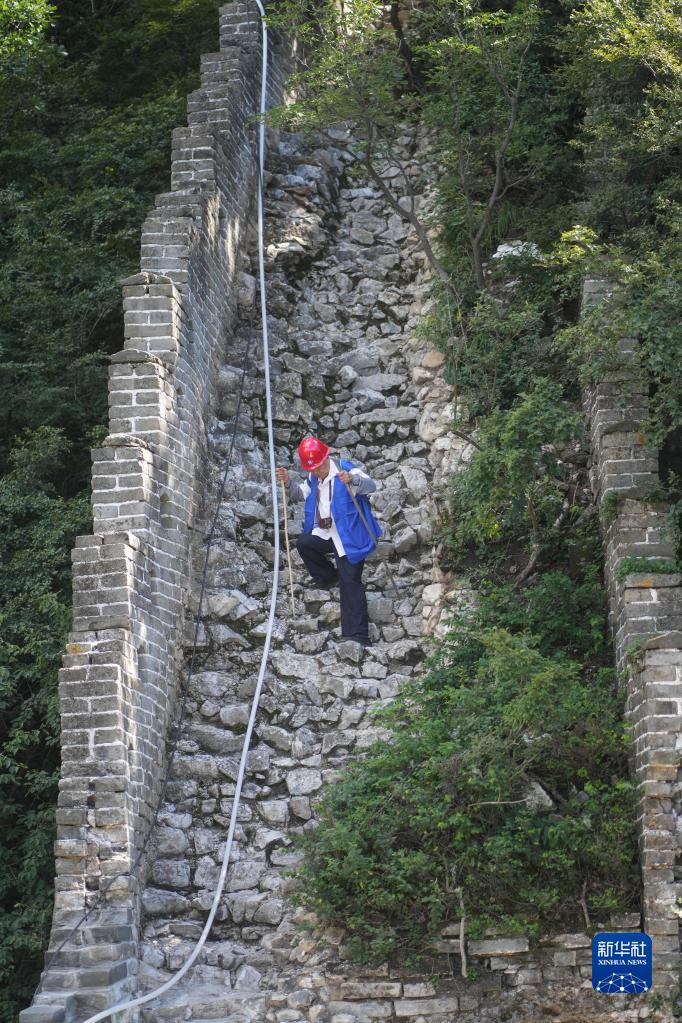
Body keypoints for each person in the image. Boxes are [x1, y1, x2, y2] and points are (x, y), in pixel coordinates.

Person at [276, 437, 382, 647]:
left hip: (349, 536)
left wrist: (352, 479)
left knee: (351, 581)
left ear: (326, 457)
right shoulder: (313, 477)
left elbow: (370, 485)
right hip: (327, 533)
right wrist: (287, 481)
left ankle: (357, 635)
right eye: (312, 468)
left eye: (318, 466)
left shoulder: (344, 468)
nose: (316, 471)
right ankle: (329, 577)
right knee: (305, 544)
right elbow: (300, 494)